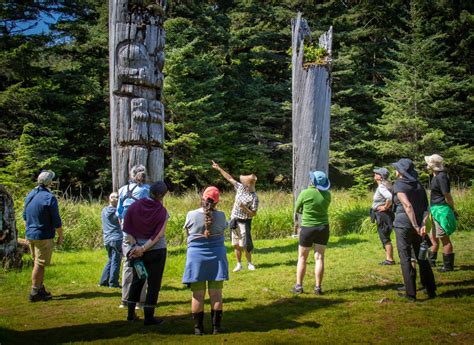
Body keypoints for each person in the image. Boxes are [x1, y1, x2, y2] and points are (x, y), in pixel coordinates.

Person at [182, 187, 229, 335]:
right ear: (217, 202)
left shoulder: (191, 214)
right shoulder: (221, 216)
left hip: (196, 258)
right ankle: (216, 328)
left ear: (202, 198)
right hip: (217, 257)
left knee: (197, 294)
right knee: (216, 294)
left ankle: (198, 329)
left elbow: (188, 233)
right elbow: (223, 229)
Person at [123, 181, 169, 326]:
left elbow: (127, 228)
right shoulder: (162, 211)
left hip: (137, 250)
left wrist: (137, 247)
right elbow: (158, 235)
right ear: (161, 196)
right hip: (156, 251)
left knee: (138, 280)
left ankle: (131, 314)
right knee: (154, 283)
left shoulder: (134, 206)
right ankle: (149, 317)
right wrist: (144, 248)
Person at [391, 158, 436, 301]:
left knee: (405, 258)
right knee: (422, 257)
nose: (395, 170)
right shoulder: (418, 185)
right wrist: (422, 225)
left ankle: (411, 294)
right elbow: (426, 207)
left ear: (401, 171)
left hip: (403, 224)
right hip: (418, 224)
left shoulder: (399, 184)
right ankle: (431, 289)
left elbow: (407, 206)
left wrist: (416, 226)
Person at [23, 170, 63, 302]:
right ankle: (34, 291)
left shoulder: (31, 194)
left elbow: (24, 216)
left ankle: (40, 288)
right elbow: (56, 220)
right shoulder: (49, 197)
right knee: (39, 264)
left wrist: (28, 230)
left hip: (31, 234)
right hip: (43, 235)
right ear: (49, 182)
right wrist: (60, 236)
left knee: (37, 262)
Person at [212, 161, 258, 272]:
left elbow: (254, 213)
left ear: (248, 185)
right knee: (236, 244)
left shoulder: (254, 197)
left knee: (246, 244)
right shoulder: (240, 187)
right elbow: (229, 178)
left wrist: (244, 208)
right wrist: (219, 168)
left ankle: (249, 263)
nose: (241, 182)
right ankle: (239, 264)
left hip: (244, 222)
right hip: (234, 220)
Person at [292, 171, 331, 295]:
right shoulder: (327, 194)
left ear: (312, 181)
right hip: (323, 228)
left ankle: (299, 286)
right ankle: (318, 287)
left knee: (302, 257)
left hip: (308, 227)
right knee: (319, 258)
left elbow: (297, 209)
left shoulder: (305, 193)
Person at [116, 164, 149, 308]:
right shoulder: (147, 190)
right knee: (141, 264)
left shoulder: (122, 190)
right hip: (141, 230)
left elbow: (118, 213)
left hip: (126, 231)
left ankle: (126, 299)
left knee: (128, 264)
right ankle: (140, 301)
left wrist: (124, 227)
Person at [425, 154, 457, 272]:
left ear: (433, 165)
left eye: (428, 163)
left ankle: (448, 266)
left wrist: (452, 209)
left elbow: (447, 195)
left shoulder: (442, 177)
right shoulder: (436, 176)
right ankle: (431, 262)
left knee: (444, 238)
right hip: (434, 210)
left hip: (441, 210)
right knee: (433, 237)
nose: (427, 164)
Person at [371, 168, 395, 265]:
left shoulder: (382, 187)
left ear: (380, 177)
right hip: (384, 214)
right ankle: (389, 258)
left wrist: (385, 207)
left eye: (376, 173)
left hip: (383, 215)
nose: (374, 174)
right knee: (385, 235)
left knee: (384, 236)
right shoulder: (387, 185)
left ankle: (389, 259)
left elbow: (389, 197)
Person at [99, 192, 123, 288]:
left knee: (110, 260)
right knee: (116, 260)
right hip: (116, 238)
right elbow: (121, 222)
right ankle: (113, 283)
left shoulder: (104, 210)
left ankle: (103, 281)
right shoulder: (116, 212)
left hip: (107, 239)